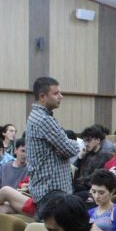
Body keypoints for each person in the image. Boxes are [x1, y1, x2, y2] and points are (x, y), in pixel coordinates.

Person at [26, 76, 80, 215]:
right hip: (52, 192)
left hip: (46, 189)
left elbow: (65, 147)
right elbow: (71, 149)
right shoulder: (44, 119)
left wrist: (64, 145)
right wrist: (75, 144)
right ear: (42, 97)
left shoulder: (36, 116)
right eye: (56, 93)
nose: (61, 96)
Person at [74, 125, 114, 195]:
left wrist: (78, 181)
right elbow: (75, 171)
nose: (86, 144)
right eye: (84, 141)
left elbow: (96, 176)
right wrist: (79, 158)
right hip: (81, 186)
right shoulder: (86, 154)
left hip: (93, 188)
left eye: (89, 140)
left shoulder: (104, 155)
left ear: (98, 140)